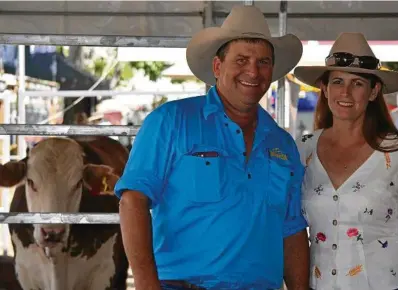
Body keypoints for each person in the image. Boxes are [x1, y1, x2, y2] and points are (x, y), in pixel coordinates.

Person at [115, 5, 309, 290]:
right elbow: (132, 202)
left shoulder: (282, 143)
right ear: (218, 67)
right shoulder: (170, 121)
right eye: (241, 59)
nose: (253, 71)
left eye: (263, 62)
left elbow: (292, 230)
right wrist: (146, 285)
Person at [294, 32, 398, 290]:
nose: (345, 92)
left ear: (374, 91)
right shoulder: (303, 149)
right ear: (324, 87)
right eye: (337, 81)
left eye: (357, 83)